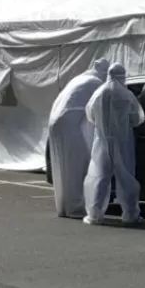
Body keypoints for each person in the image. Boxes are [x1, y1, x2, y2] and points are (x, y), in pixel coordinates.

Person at [83, 63, 145, 226]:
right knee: (126, 177)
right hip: (123, 142)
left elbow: (90, 114)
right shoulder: (126, 95)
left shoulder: (99, 93)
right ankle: (130, 214)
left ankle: (95, 214)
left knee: (100, 177)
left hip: (102, 142)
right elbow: (136, 118)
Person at [48, 58, 110, 218]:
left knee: (63, 167)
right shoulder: (95, 83)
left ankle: (64, 206)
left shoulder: (81, 78)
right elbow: (99, 110)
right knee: (76, 166)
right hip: (70, 124)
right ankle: (74, 207)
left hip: (57, 122)